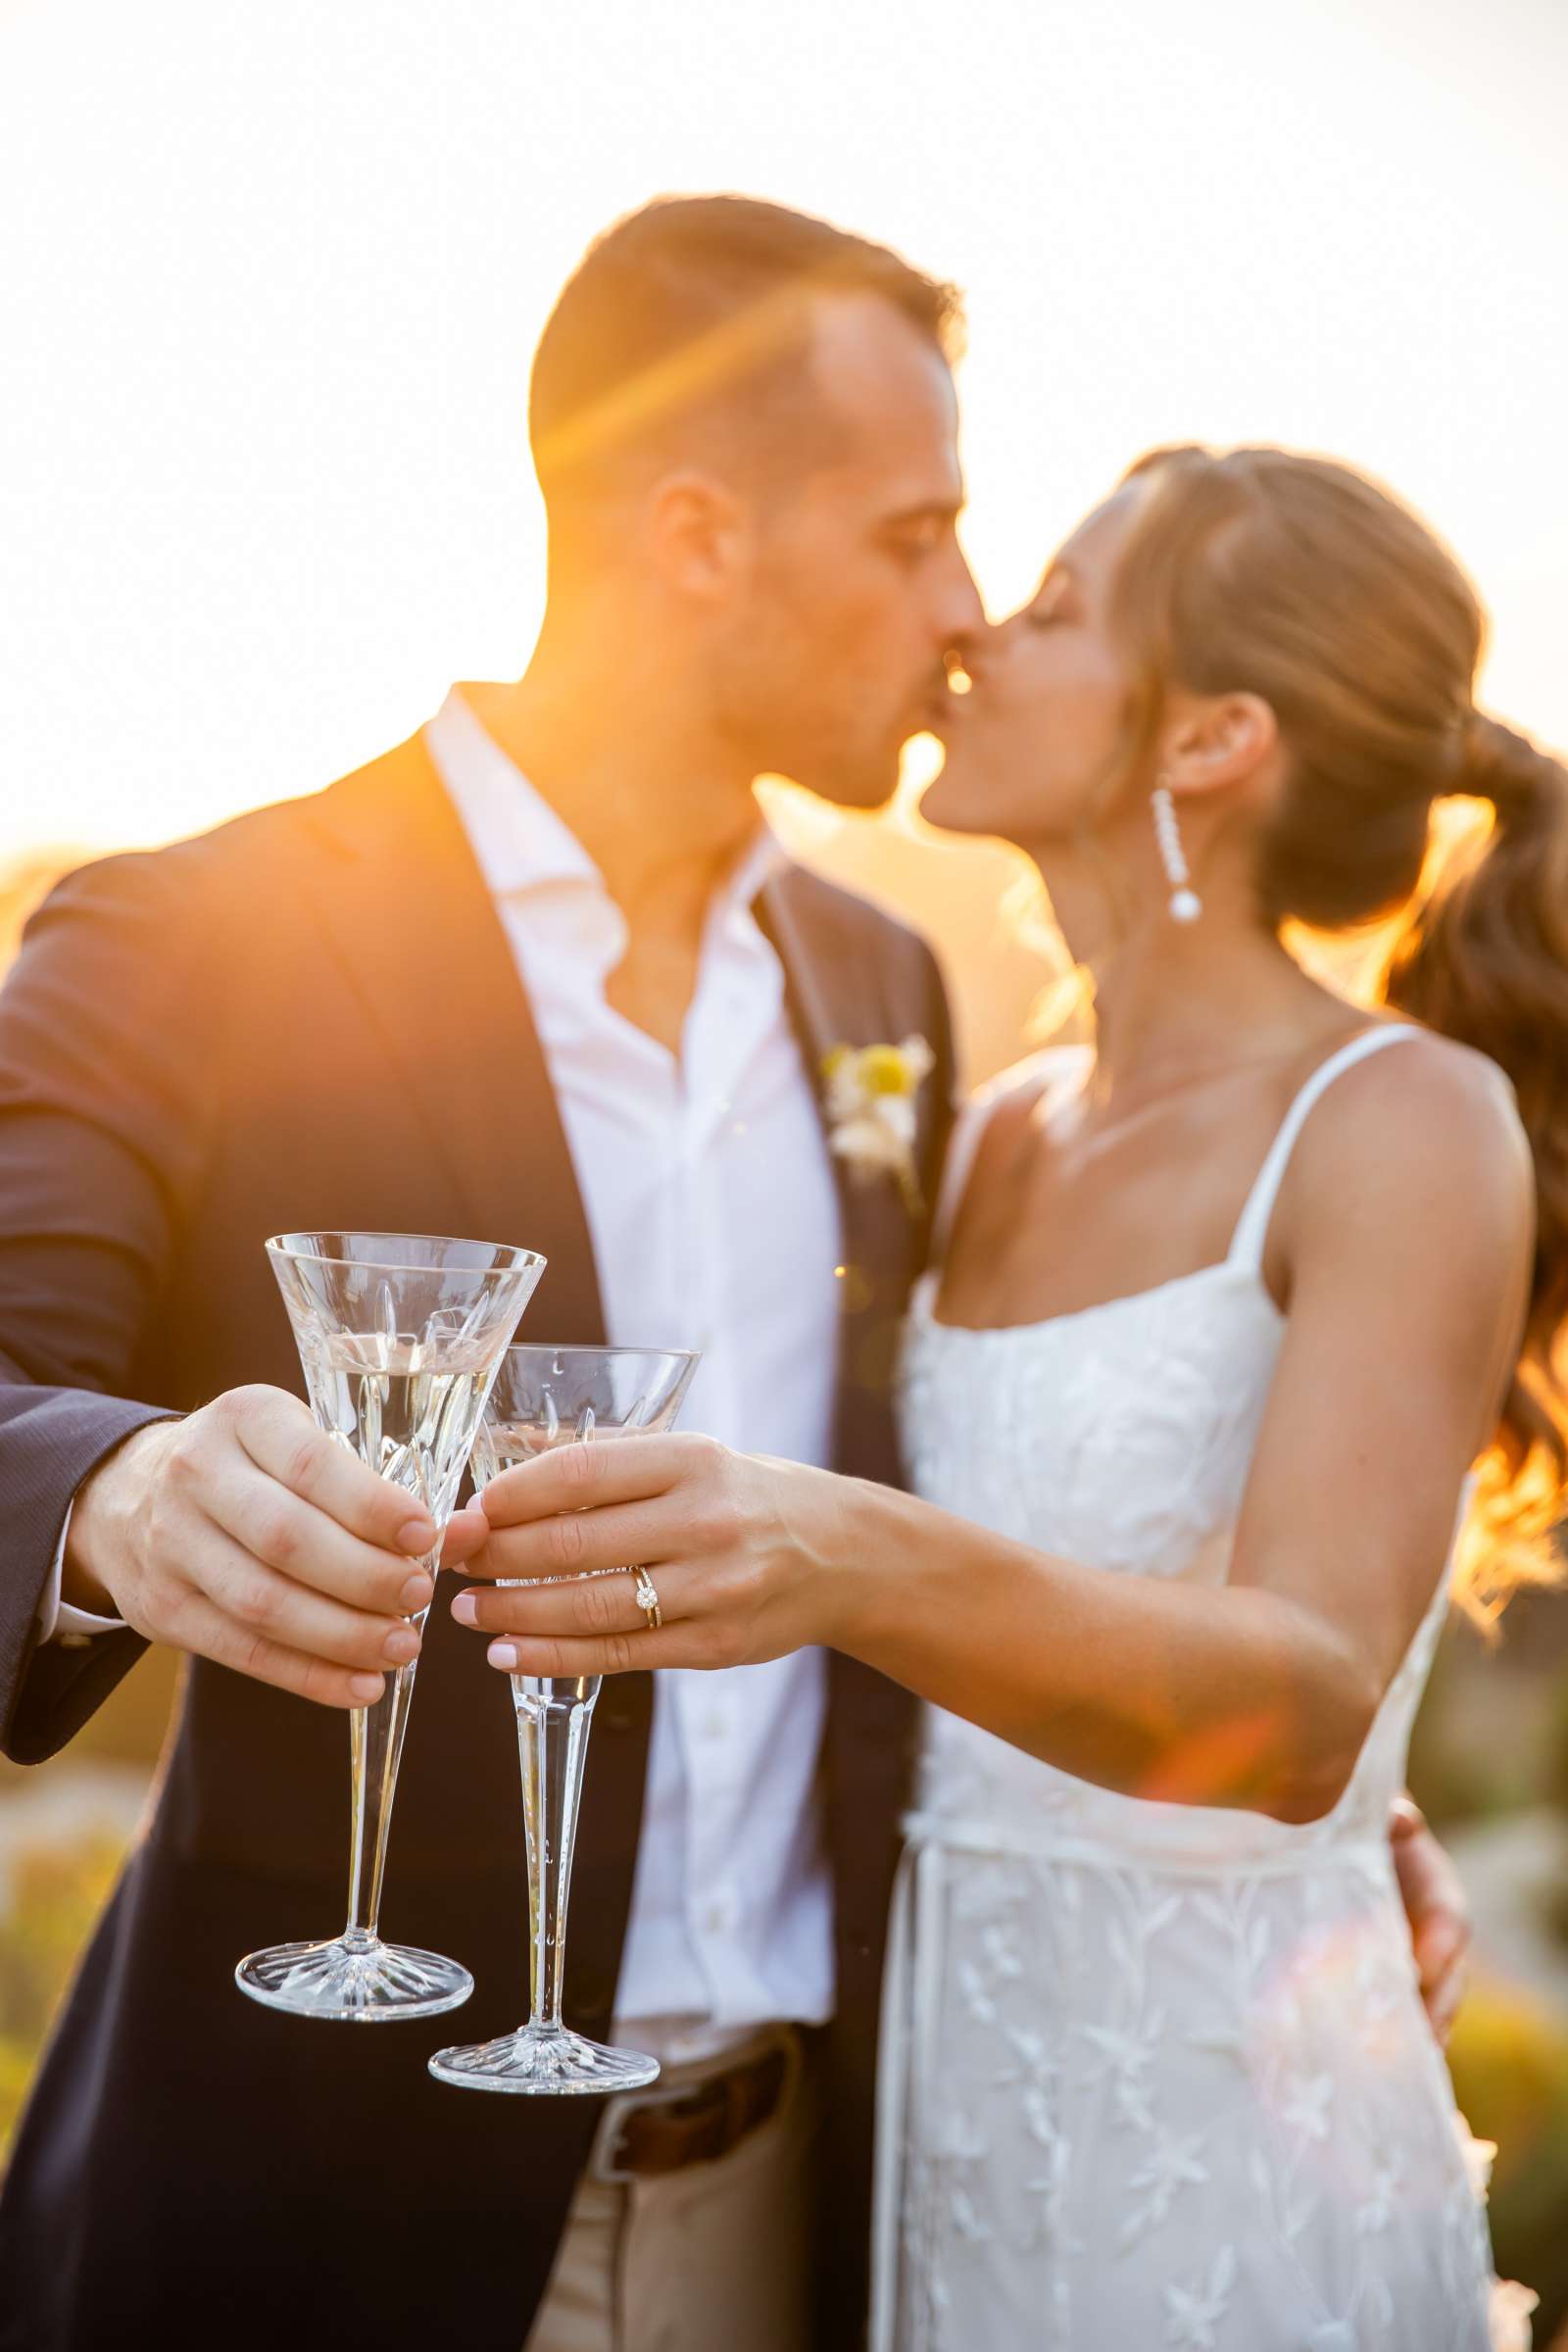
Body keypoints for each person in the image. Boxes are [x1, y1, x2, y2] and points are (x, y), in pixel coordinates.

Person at [451, 446, 1568, 2347]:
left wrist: (842, 1555)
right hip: (927, 2136)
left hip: (1217, 2154)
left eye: (1051, 606)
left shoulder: (1394, 1121)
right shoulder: (977, 1133)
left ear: (1208, 738)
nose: (971, 631)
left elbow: (1301, 1703)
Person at [0, 195, 972, 2352]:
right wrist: (117, 1493)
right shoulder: (190, 936)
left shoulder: (879, 978)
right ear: (695, 534)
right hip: (311, 2216)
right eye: (912, 538)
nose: (964, 611)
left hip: (802, 2213)